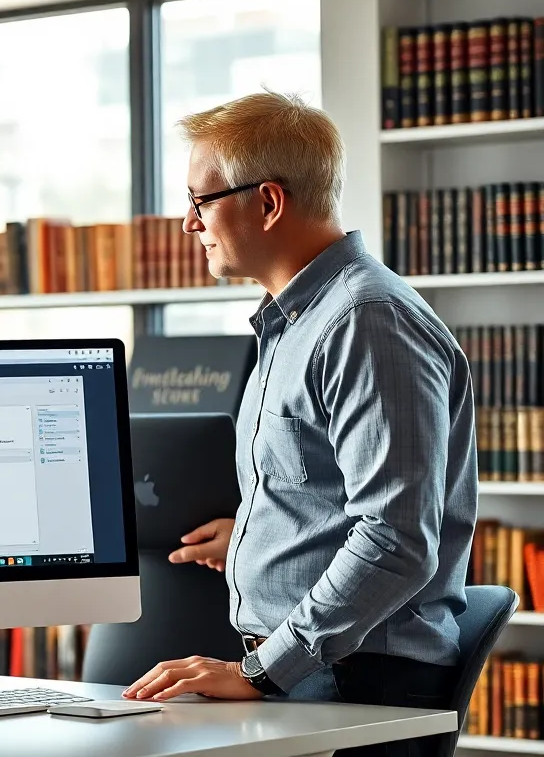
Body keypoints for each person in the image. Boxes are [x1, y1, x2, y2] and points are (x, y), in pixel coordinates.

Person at [121, 92, 477, 757]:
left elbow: (397, 540)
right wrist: (259, 536)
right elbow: (335, 495)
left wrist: (259, 672)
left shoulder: (365, 322)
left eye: (200, 201)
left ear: (268, 202)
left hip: (355, 686)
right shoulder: (295, 323)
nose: (188, 225)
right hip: (320, 678)